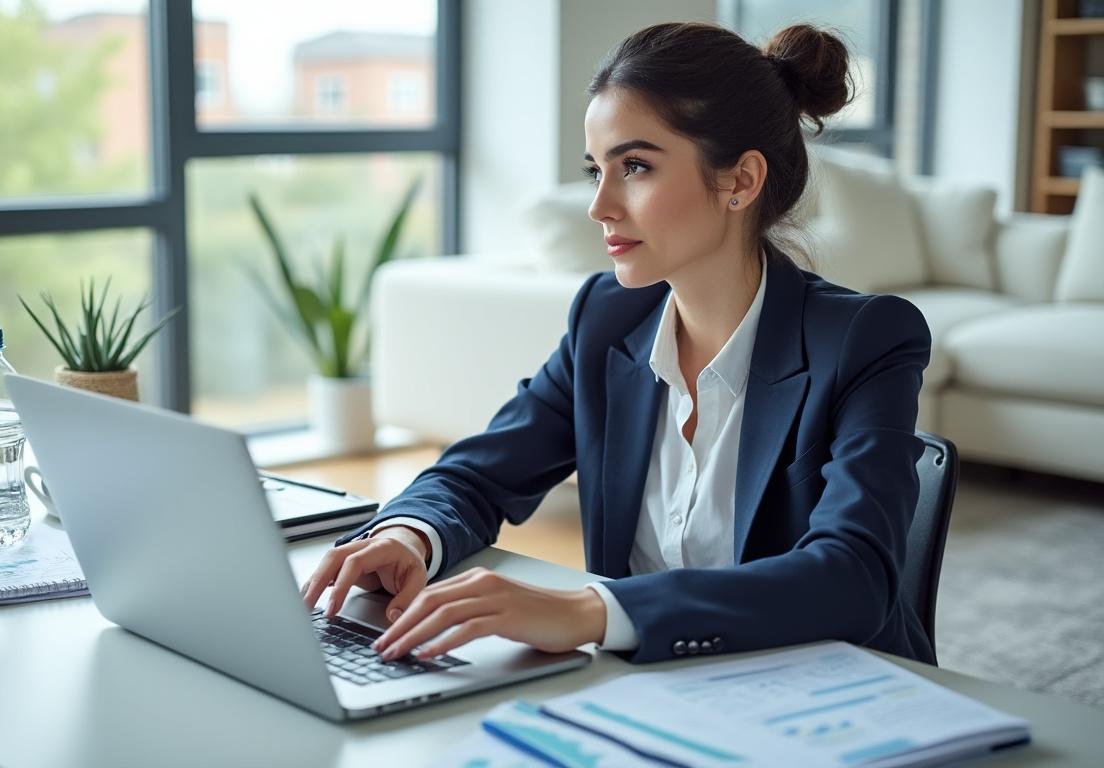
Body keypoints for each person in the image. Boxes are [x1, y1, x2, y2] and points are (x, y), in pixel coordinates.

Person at [300, 21, 936, 666]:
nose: (599, 205)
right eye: (595, 169)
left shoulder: (865, 340)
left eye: (634, 166)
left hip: (825, 697)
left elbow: (854, 576)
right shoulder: (606, 321)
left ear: (739, 181)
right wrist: (412, 533)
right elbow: (477, 475)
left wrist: (591, 611)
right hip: (646, 693)